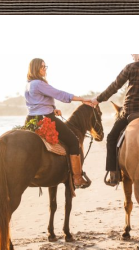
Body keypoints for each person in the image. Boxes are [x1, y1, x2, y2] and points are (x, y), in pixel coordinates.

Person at [92, 54, 139, 186]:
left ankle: (113, 173)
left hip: (130, 112)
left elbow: (115, 86)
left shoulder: (131, 67)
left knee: (111, 138)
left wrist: (98, 99)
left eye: (133, 53)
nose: (132, 56)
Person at [24, 58, 94, 188]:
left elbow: (37, 103)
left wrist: (53, 108)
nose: (44, 69)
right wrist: (82, 99)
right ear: (35, 68)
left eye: (45, 67)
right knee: (74, 141)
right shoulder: (39, 83)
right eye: (42, 67)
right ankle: (78, 178)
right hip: (45, 119)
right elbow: (59, 94)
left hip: (31, 119)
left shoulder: (29, 84)